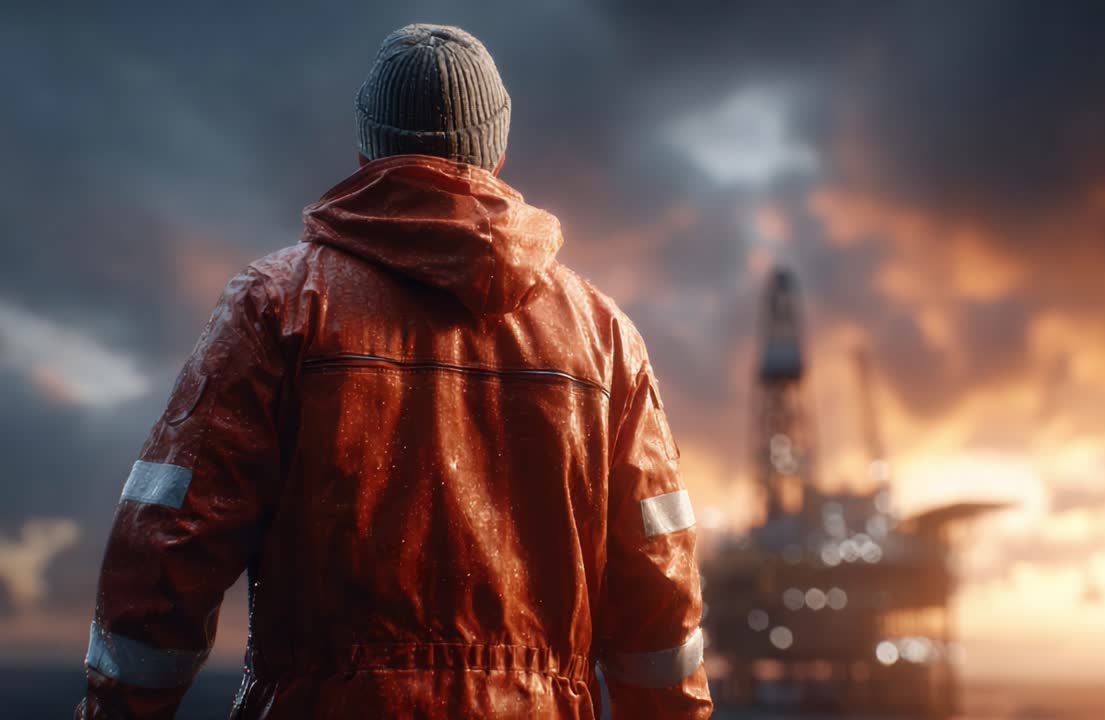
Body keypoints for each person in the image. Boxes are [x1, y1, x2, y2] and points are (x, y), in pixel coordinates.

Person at [76, 23, 712, 720]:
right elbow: (660, 588)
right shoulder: (603, 337)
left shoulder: (278, 307)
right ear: (496, 155)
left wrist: (117, 707)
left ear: (366, 150)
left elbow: (171, 541)